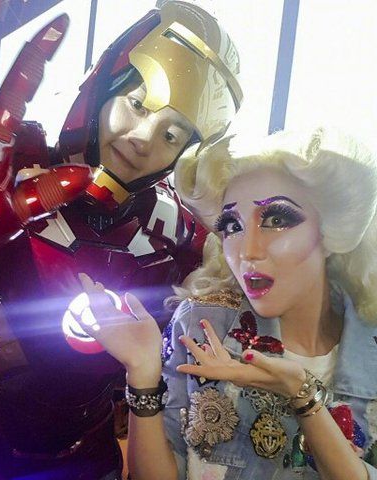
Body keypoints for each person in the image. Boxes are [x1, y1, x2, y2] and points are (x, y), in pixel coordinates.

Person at [0, 1, 243, 479]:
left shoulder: (181, 237)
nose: (142, 138)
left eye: (172, 135)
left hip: (89, 461)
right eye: (137, 103)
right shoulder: (2, 171)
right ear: (104, 84)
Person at [77, 126, 377, 479]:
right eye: (232, 225)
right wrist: (143, 372)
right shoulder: (203, 325)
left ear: (329, 231)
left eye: (276, 219)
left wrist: (301, 394)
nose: (247, 251)